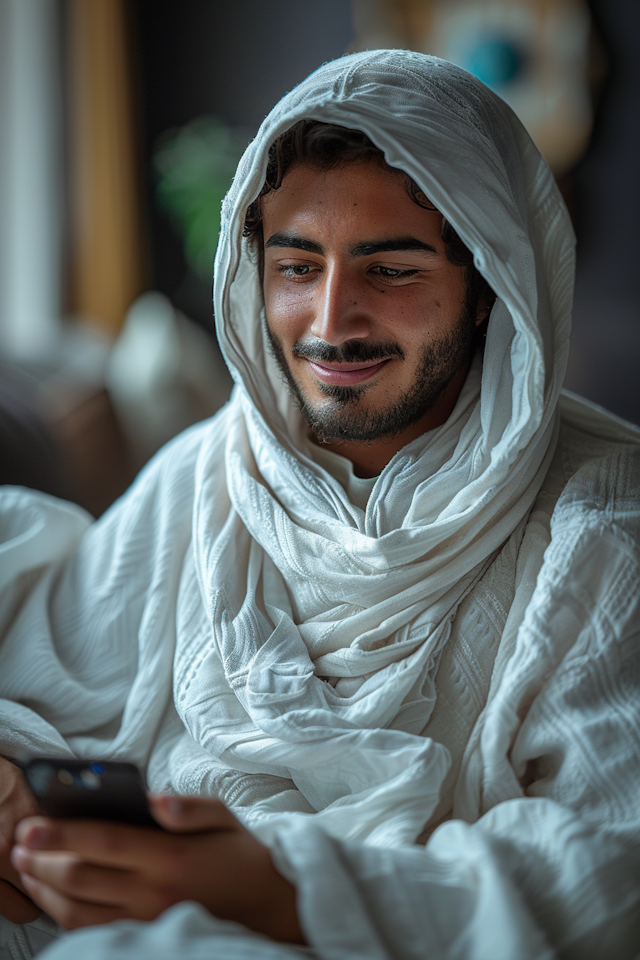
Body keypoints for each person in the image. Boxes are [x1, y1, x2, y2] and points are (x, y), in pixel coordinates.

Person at [1, 49, 640, 959]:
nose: (332, 321)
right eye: (298, 267)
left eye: (392, 271)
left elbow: (606, 877)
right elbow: (40, 681)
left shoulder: (605, 531)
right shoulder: (211, 473)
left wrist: (283, 893)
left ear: (491, 286)